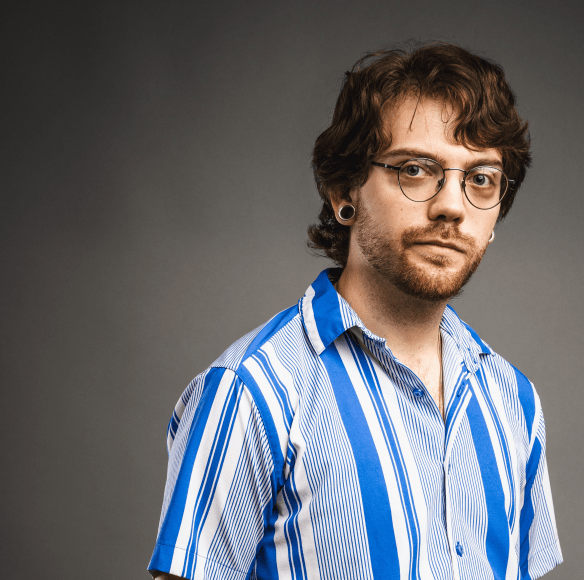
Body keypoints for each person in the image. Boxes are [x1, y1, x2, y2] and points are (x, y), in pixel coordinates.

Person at [149, 42, 562, 580]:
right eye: (416, 170)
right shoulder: (251, 391)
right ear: (344, 190)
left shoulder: (513, 400)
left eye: (480, 178)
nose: (452, 207)